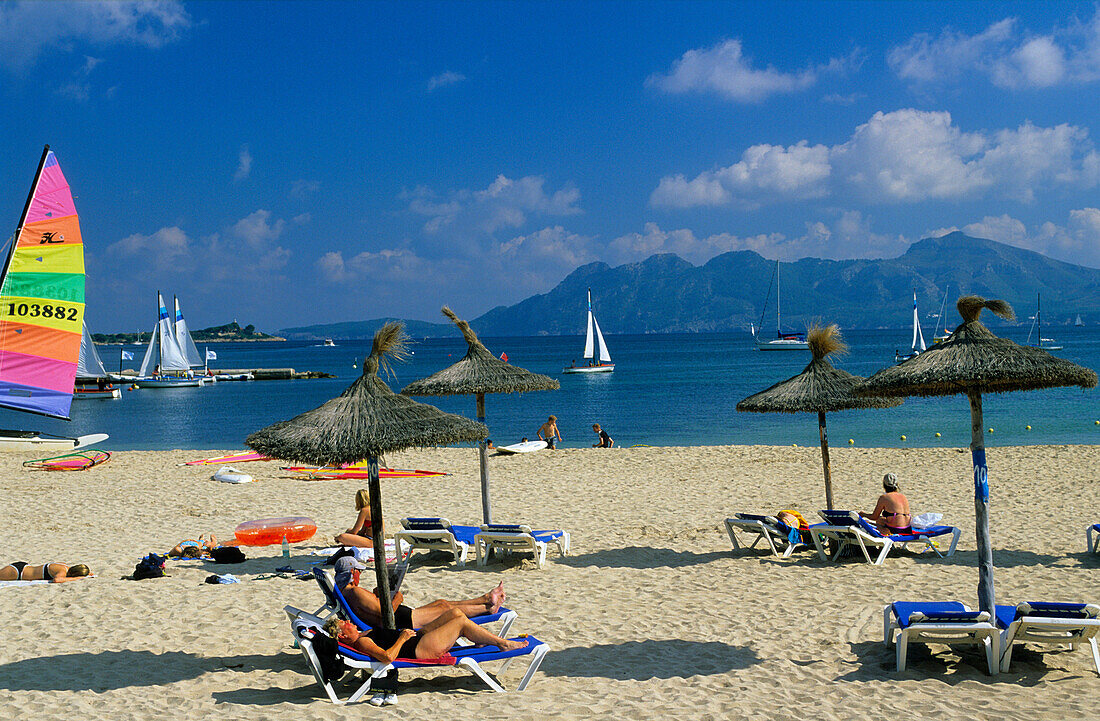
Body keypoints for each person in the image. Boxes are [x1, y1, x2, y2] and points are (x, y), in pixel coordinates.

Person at [334, 556, 506, 630]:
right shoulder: (354, 592)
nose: (360, 574)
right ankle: (487, 608)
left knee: (441, 602)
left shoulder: (345, 593)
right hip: (402, 620)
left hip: (402, 616)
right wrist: (397, 599)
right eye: (359, 571)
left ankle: (485, 598)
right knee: (446, 610)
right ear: (352, 573)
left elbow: (371, 609)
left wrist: (378, 595)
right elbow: (383, 614)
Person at [322, 611, 527, 664]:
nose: (349, 622)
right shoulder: (362, 641)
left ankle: (480, 638)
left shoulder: (362, 634)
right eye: (345, 624)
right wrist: (402, 638)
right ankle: (503, 644)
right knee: (460, 623)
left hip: (416, 638)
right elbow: (386, 657)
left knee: (455, 613)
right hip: (418, 648)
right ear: (342, 635)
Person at [0, 561, 91, 583]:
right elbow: (57, 580)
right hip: (18, 573)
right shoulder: (62, 571)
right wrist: (78, 578)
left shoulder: (64, 566)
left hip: (23, 567)